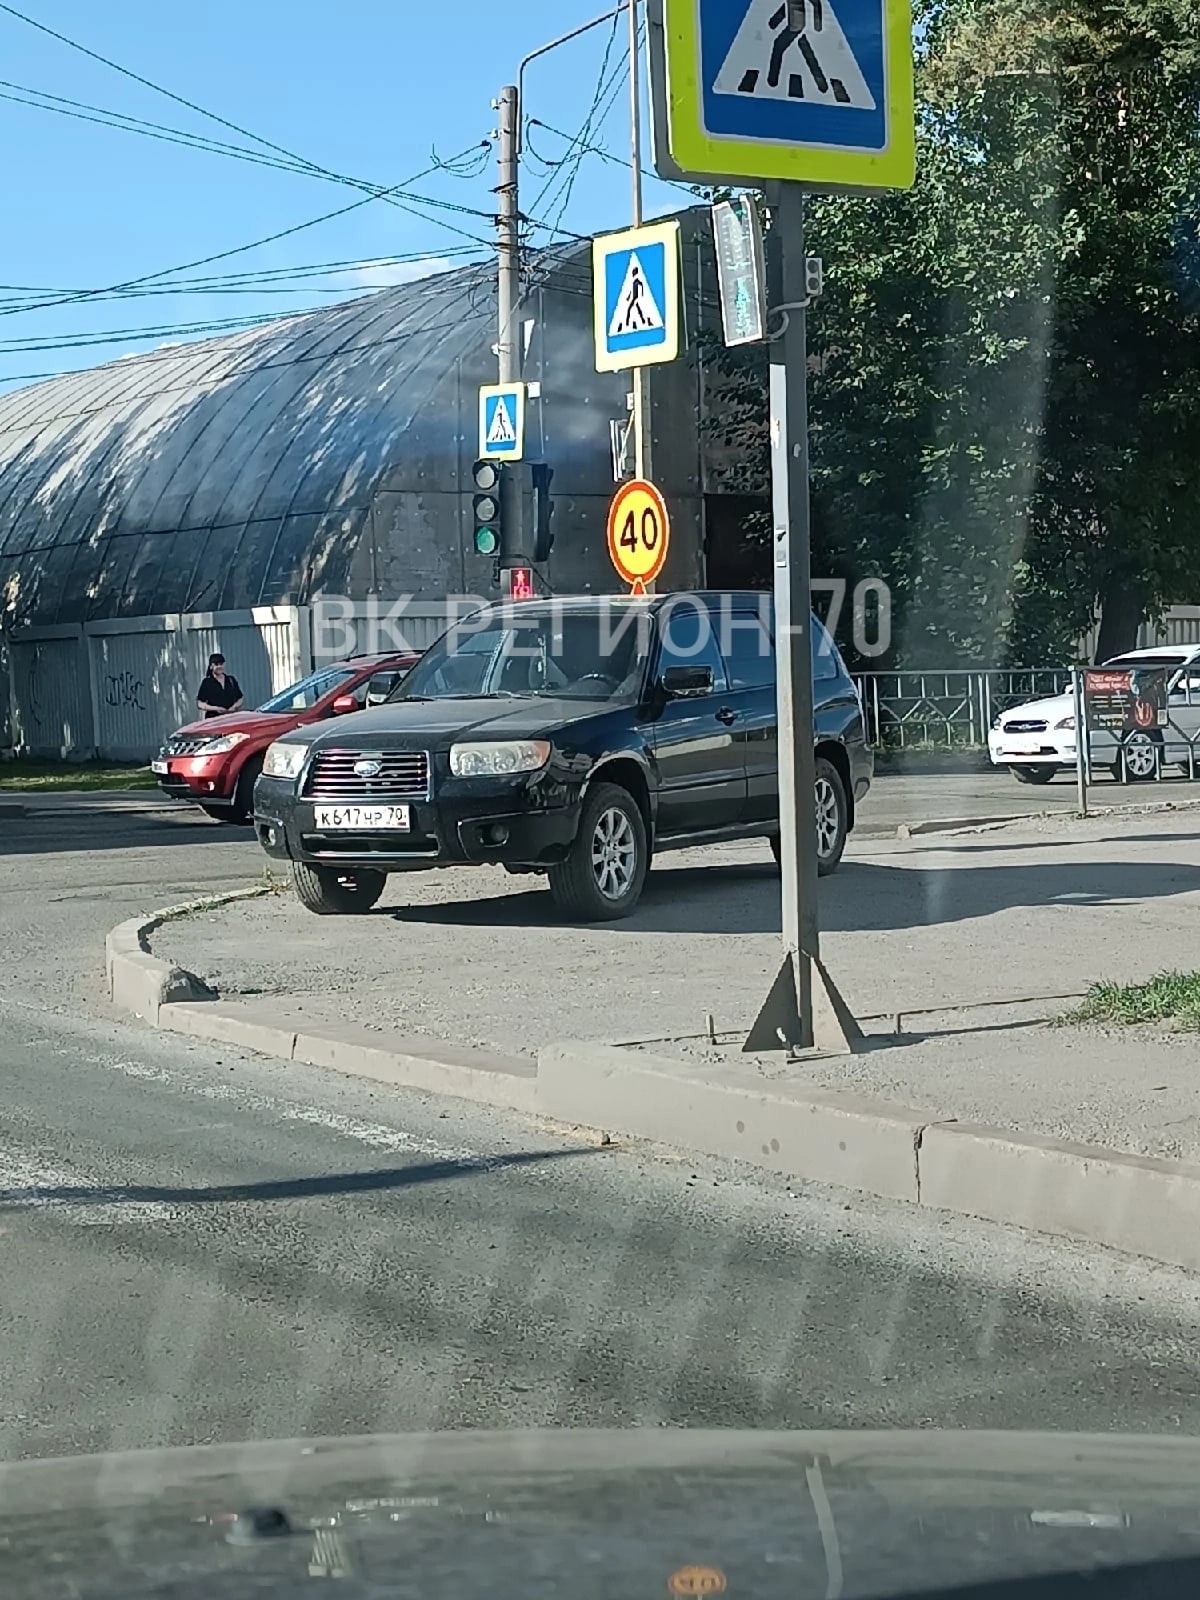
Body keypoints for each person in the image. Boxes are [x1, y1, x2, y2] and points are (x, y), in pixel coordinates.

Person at [196, 653, 244, 719]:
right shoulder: (207, 682)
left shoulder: (231, 680)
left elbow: (240, 699)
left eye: (221, 664)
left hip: (231, 718)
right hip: (214, 720)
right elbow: (200, 704)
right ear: (211, 666)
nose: (219, 666)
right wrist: (216, 709)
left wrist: (234, 707)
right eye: (216, 664)